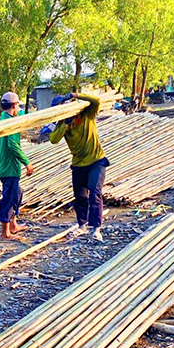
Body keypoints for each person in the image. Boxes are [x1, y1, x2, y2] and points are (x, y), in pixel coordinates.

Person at [40, 92, 109, 243]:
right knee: (80, 197)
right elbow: (53, 139)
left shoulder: (87, 115)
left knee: (95, 193)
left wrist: (75, 95)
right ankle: (82, 226)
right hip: (78, 164)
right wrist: (65, 123)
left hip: (96, 160)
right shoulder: (62, 124)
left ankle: (96, 229)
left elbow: (96, 100)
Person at [0, 91, 34, 240]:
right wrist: (27, 163)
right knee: (9, 198)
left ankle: (13, 224)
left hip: (2, 166)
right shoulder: (12, 124)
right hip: (9, 168)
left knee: (17, 192)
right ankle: (5, 232)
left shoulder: (1, 120)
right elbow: (12, 145)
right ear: (15, 105)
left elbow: (23, 113)